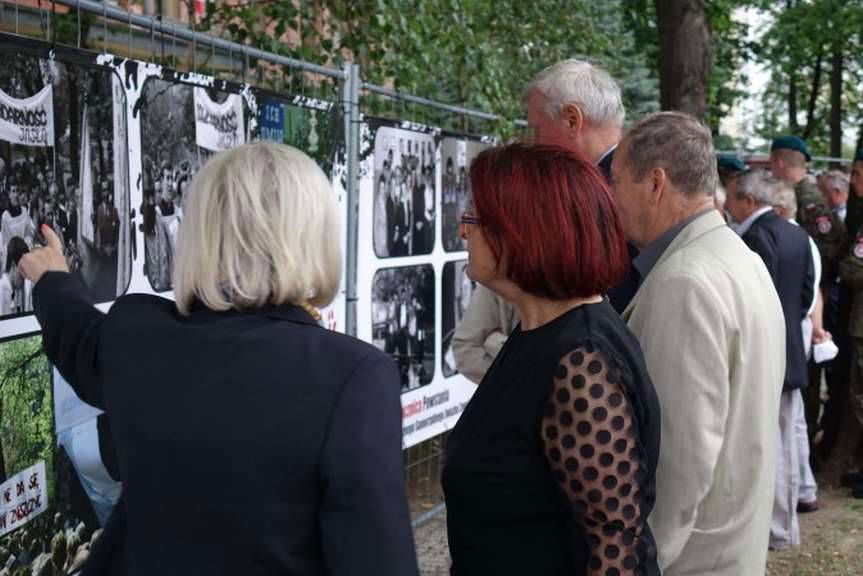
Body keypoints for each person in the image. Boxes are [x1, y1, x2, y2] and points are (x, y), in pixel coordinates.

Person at [19, 141, 419, 576]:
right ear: (315, 235)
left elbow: (79, 338)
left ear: (200, 233)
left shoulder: (137, 336)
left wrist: (52, 278)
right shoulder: (353, 377)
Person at [443, 143, 661, 576]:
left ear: (524, 231)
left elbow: (614, 547)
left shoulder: (582, 360)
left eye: (476, 219)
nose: (464, 231)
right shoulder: (539, 332)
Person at [611, 112, 785, 575]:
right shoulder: (740, 260)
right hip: (730, 549)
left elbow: (677, 466)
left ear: (655, 183)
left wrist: (639, 565)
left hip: (691, 560)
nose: (611, 200)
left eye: (616, 183)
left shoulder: (685, 283)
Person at [453, 59, 633, 384]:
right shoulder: (617, 187)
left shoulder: (614, 197)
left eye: (536, 129)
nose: (533, 143)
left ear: (572, 120)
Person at [725, 170, 814, 548]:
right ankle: (782, 525)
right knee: (785, 439)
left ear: (749, 201)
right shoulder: (796, 233)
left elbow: (754, 300)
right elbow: (807, 294)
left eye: (731, 198)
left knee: (771, 443)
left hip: (768, 352)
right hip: (792, 346)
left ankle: (777, 529)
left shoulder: (758, 237)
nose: (728, 206)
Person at [772, 182, 826, 515]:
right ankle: (805, 487)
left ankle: (800, 490)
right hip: (798, 331)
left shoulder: (785, 239)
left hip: (788, 334)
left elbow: (811, 291)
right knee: (794, 421)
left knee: (788, 421)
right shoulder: (802, 239)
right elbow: (812, 292)